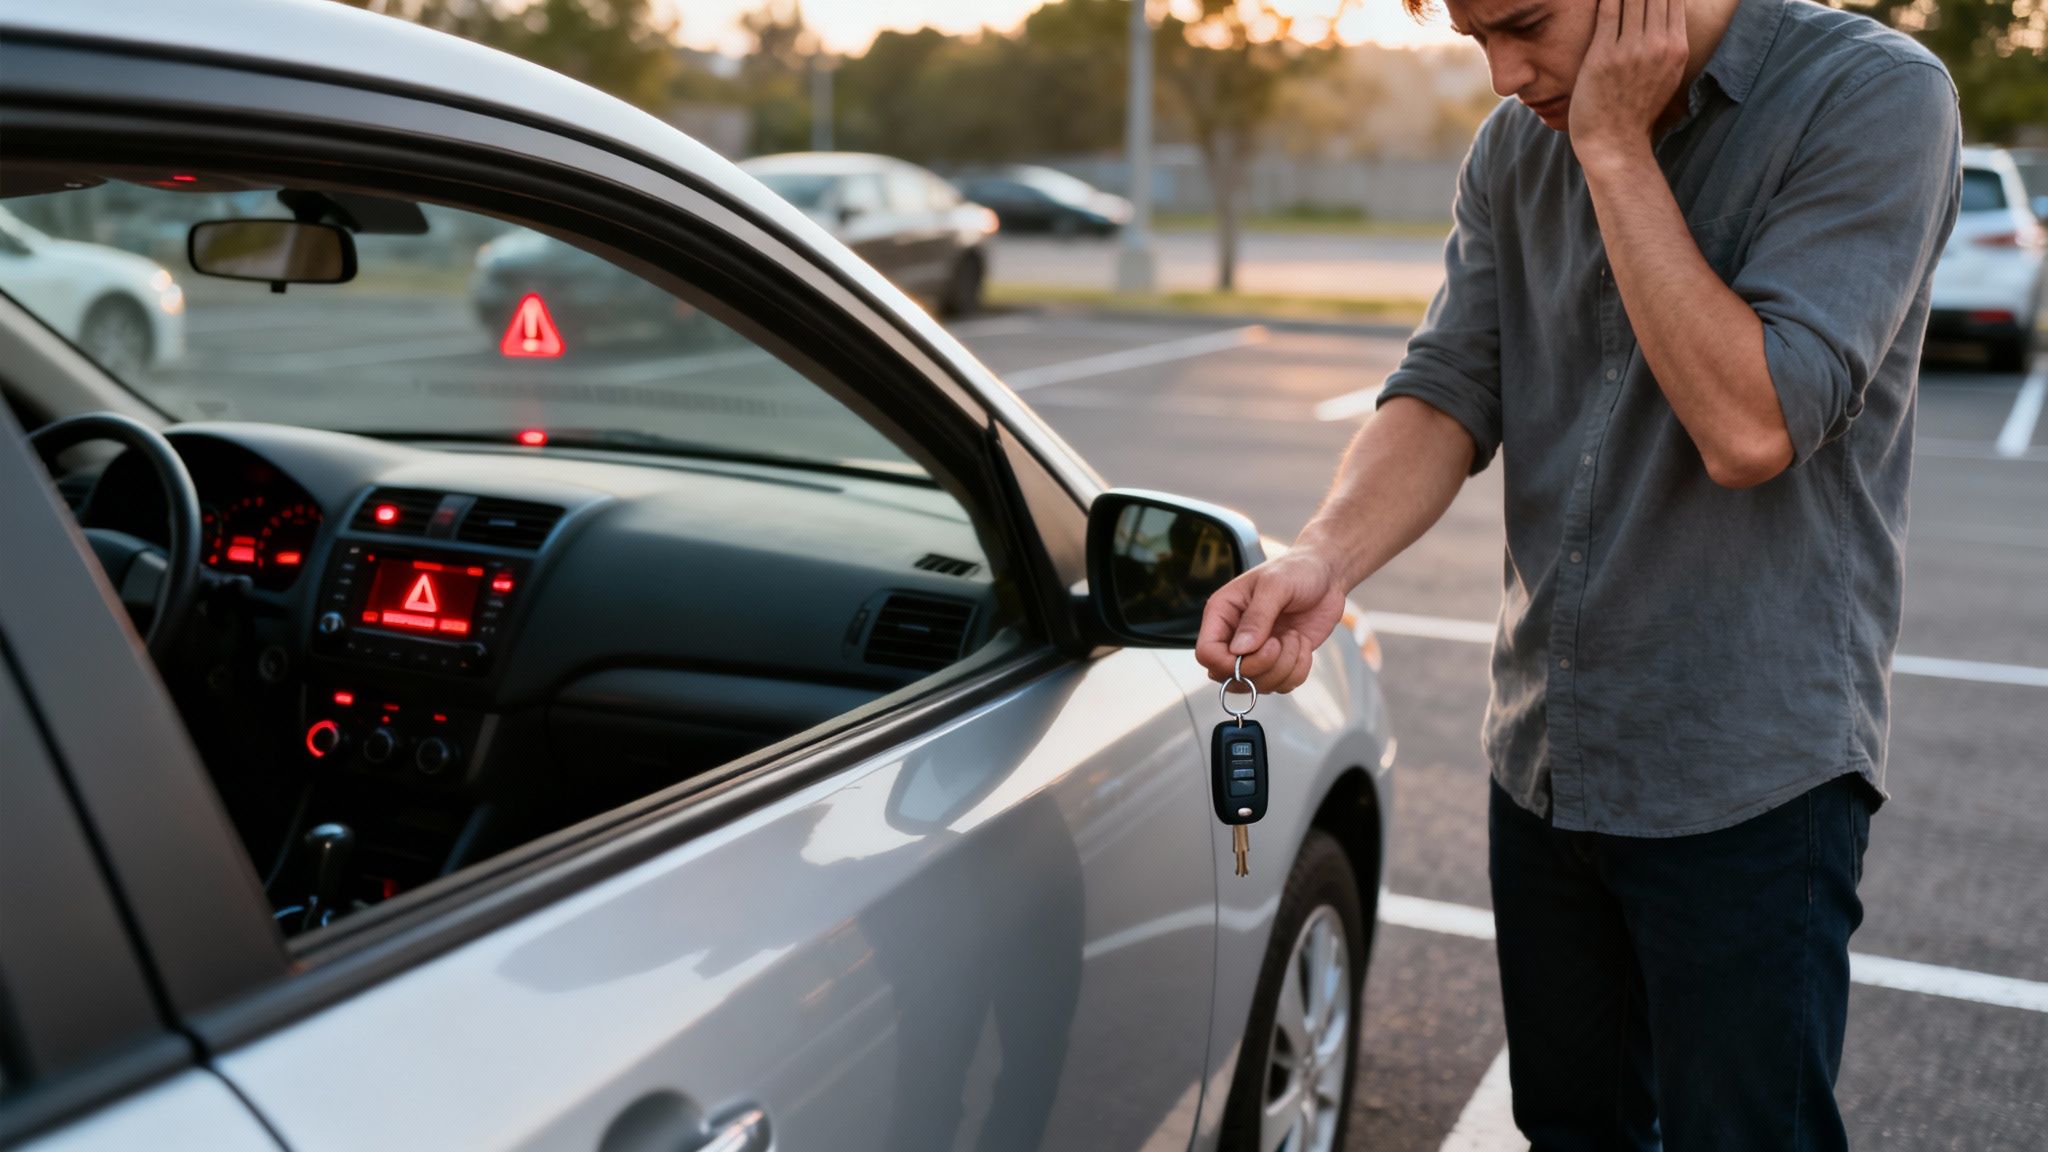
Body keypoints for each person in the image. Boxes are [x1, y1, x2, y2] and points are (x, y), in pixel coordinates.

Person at [1194, 0, 1961, 1146]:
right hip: (1546, 763)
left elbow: (1749, 424)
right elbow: (1450, 381)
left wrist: (1614, 146)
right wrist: (1324, 553)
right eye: (1472, 38)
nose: (1503, 73)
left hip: (1750, 778)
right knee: (1571, 1130)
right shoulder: (1514, 145)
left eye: (1525, 23)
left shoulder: (1872, 97)